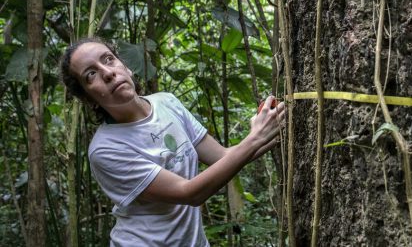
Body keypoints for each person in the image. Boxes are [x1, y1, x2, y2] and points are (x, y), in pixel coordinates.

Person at [59, 38, 285, 246]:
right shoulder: (105, 149)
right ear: (88, 98)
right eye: (91, 74)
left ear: (125, 66)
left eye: (109, 59)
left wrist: (275, 127)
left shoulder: (166, 102)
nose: (107, 73)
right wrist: (255, 138)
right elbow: (189, 193)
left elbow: (224, 157)